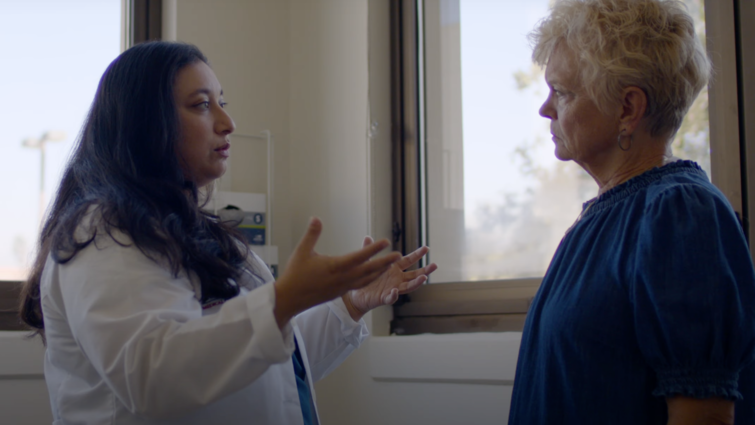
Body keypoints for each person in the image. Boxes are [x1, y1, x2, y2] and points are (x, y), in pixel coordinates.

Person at [18, 41, 437, 424]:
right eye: (201, 105)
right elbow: (153, 375)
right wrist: (283, 299)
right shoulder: (105, 231)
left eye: (221, 102)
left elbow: (268, 365)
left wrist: (350, 304)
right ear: (146, 124)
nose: (228, 122)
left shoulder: (196, 234)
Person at [508, 1, 755, 424]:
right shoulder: (605, 216)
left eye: (562, 92)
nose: (545, 109)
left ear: (627, 109)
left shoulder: (678, 213)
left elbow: (704, 414)